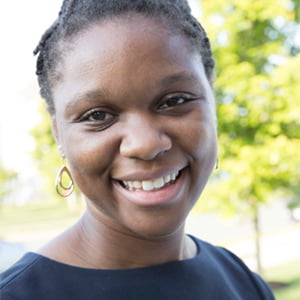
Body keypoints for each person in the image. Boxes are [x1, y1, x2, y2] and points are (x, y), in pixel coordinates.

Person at [0, 0, 275, 299]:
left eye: (174, 101)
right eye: (97, 115)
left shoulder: (244, 283)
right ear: (58, 134)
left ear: (212, 100)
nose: (145, 144)